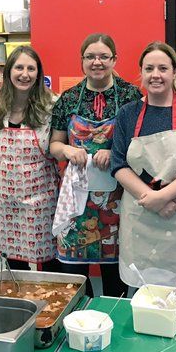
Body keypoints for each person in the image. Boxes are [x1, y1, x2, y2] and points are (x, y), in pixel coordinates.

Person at [111, 42, 176, 296]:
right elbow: (119, 164)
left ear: (174, 72)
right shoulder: (128, 113)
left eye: (162, 68)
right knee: (141, 298)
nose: (155, 74)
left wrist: (162, 197)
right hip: (141, 218)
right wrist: (153, 200)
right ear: (141, 73)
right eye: (149, 68)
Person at [49, 33, 143, 297]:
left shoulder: (130, 95)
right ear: (82, 61)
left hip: (117, 198)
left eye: (103, 56)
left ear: (114, 59)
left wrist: (114, 152)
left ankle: (114, 324)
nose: (97, 62)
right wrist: (67, 149)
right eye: (90, 56)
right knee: (74, 281)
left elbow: (141, 144)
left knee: (116, 277)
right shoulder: (68, 98)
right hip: (75, 199)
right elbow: (54, 145)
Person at [0, 46, 60, 271]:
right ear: (9, 71)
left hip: (41, 200)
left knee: (48, 264)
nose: (25, 74)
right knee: (13, 268)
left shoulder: (52, 105)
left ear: (39, 74)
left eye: (31, 68)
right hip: (5, 200)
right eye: (19, 67)